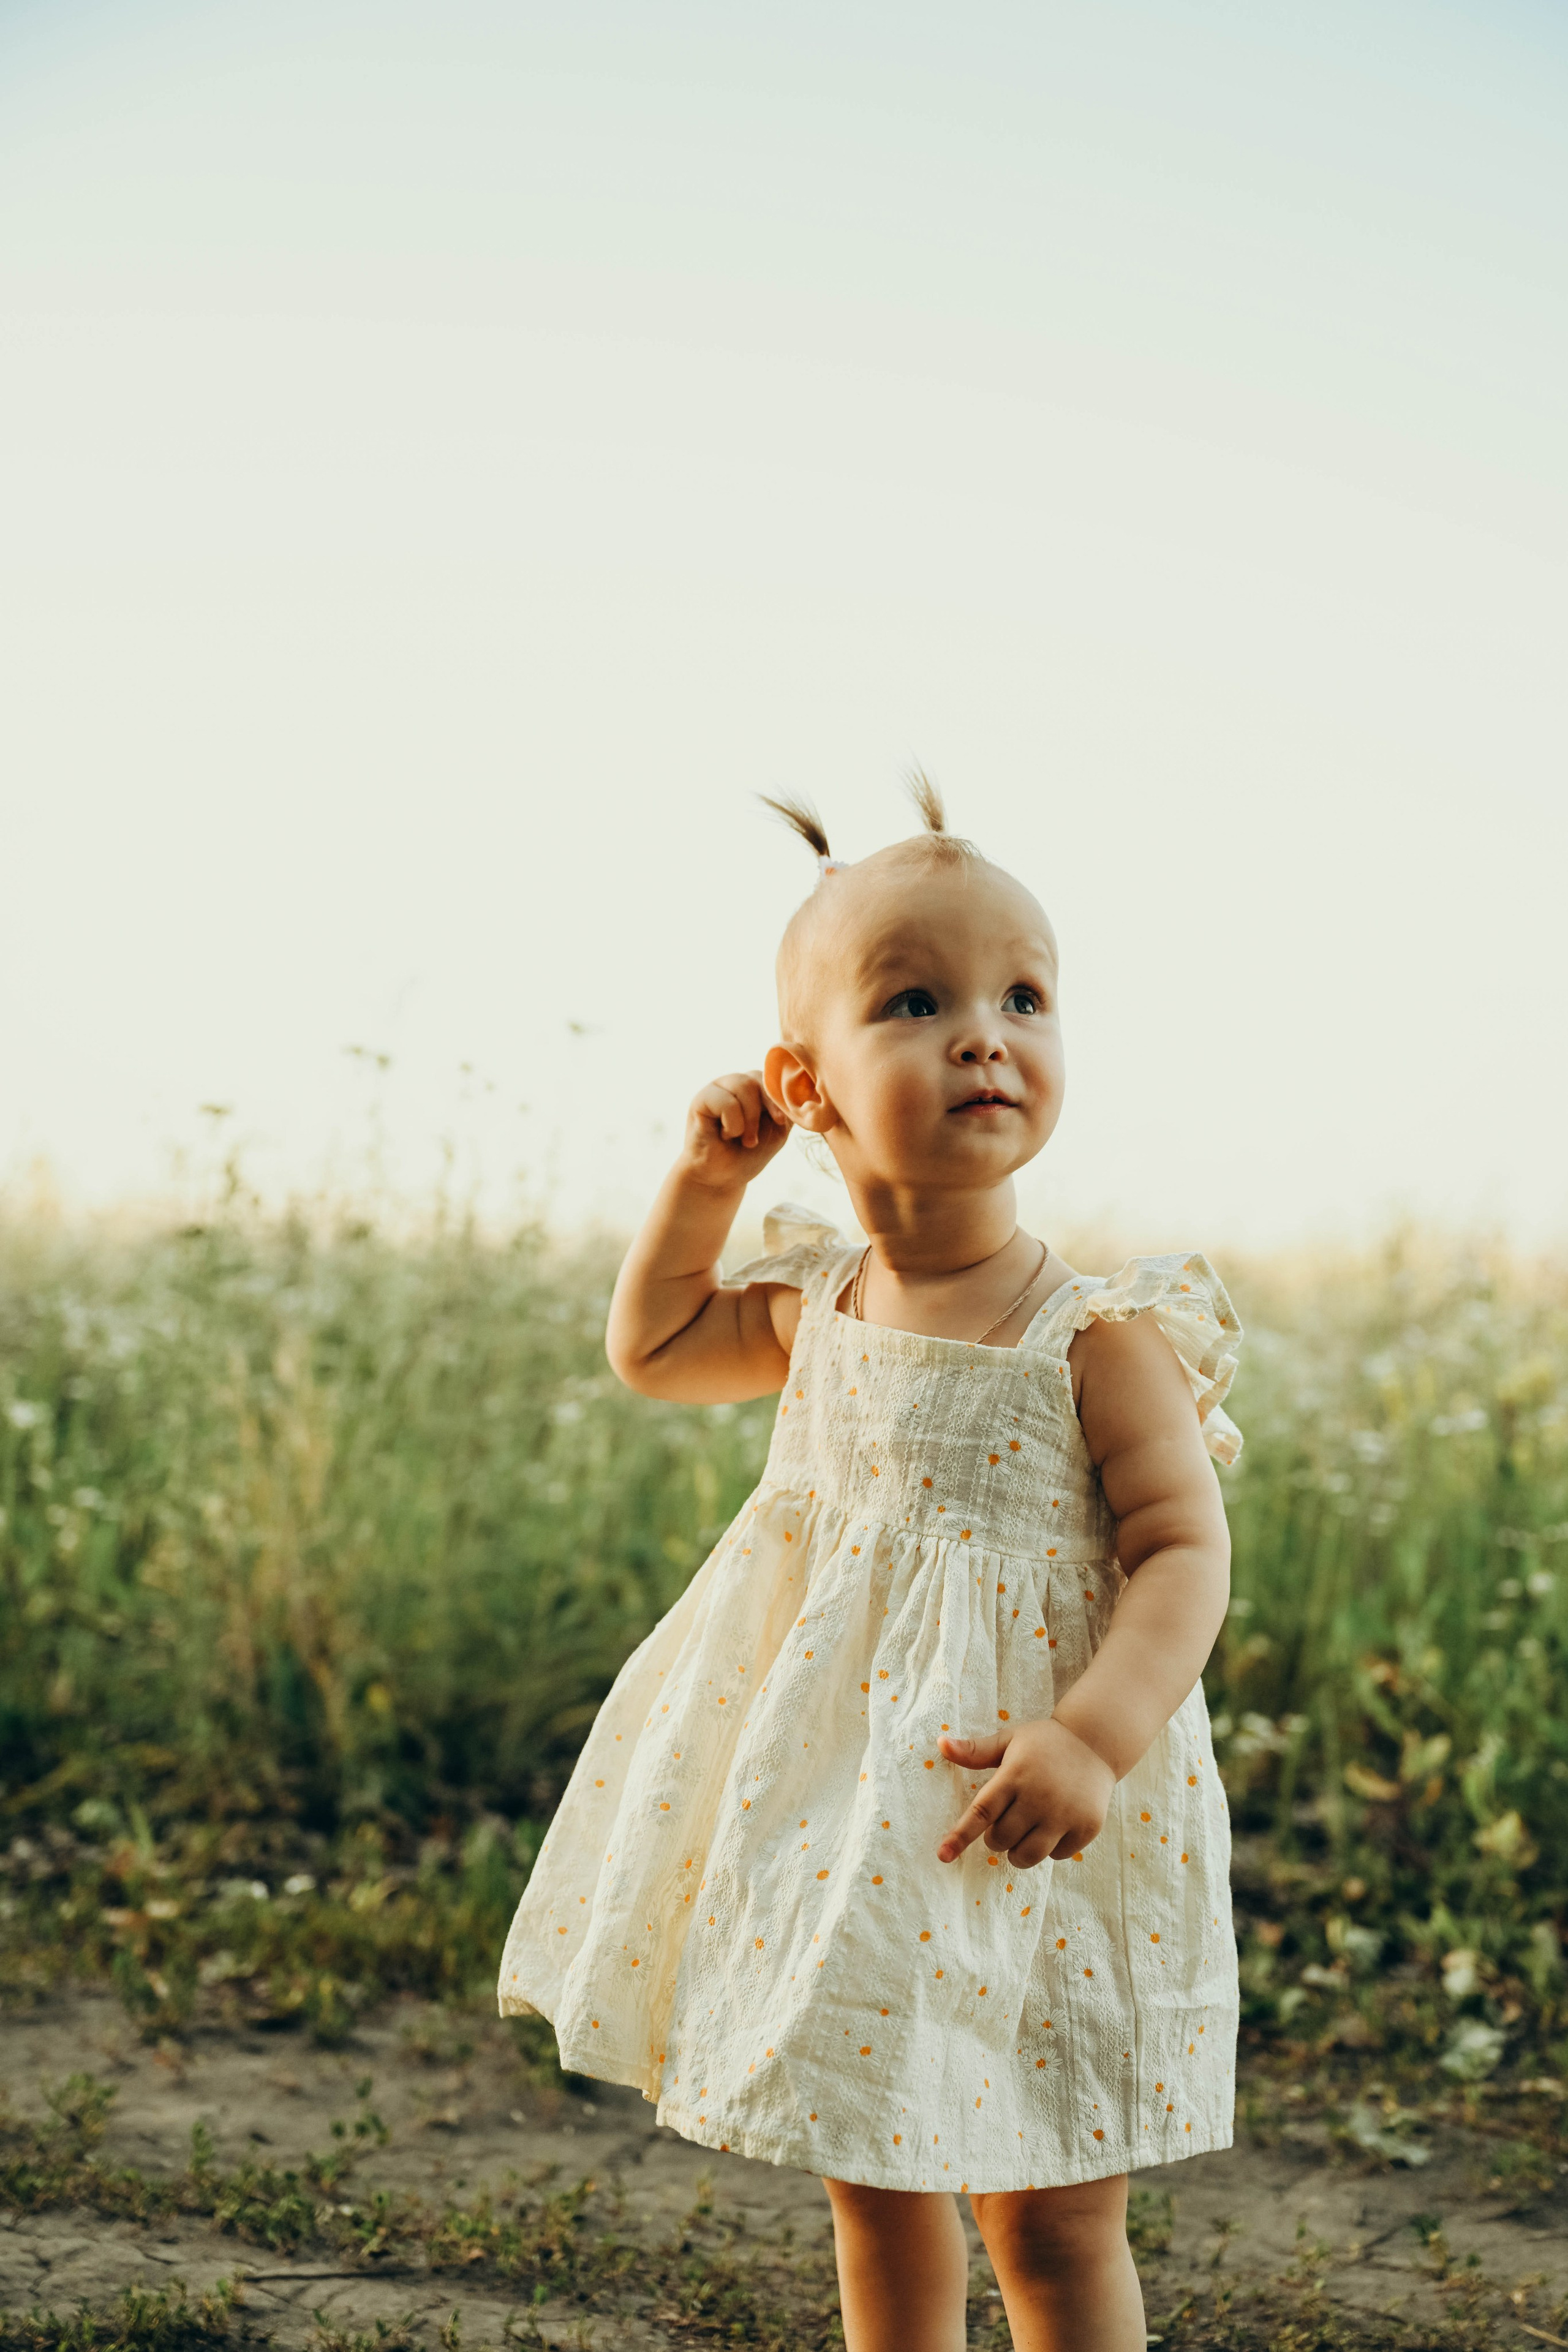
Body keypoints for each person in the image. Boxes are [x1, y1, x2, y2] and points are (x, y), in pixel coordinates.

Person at [499, 777, 1243, 2352]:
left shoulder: (1096, 1340)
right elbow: (653, 1348)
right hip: (849, 1816)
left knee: (1049, 2207)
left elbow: (1182, 1551)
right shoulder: (815, 1304)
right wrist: (705, 1181)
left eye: (1022, 996)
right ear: (804, 1086)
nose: (985, 1033)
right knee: (877, 2173)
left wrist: (1091, 1735)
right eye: (916, 1001)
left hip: (1036, 1804)